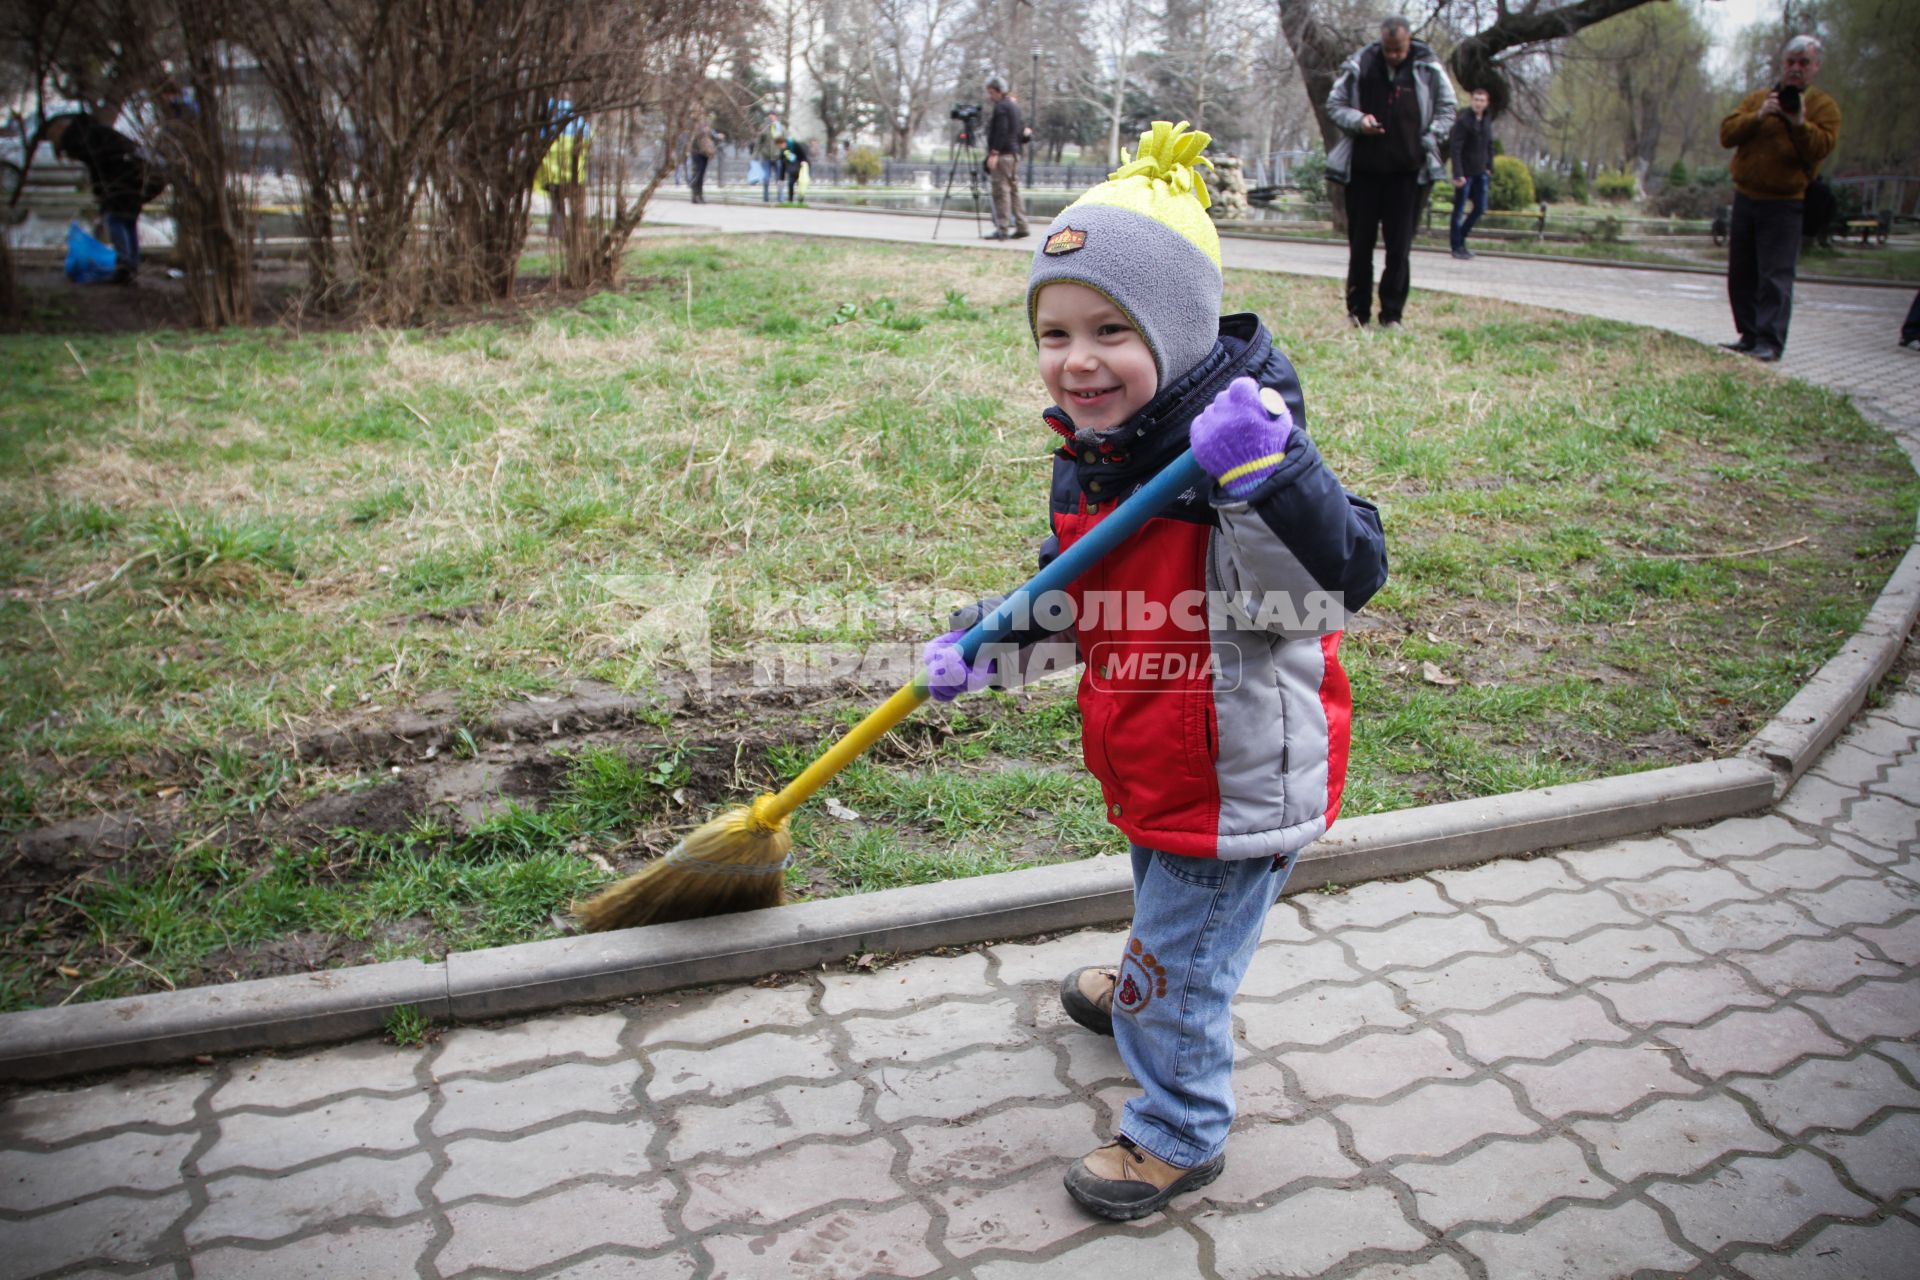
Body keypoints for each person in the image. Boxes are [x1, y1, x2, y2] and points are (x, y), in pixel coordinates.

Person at [921, 121, 1387, 1221]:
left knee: (1186, 966)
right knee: (1166, 914)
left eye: (1112, 330)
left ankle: (1178, 1125)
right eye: (1054, 330)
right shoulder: (1099, 455)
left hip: (1234, 781)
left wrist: (1268, 477)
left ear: (1176, 334)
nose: (1077, 360)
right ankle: (1150, 978)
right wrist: (983, 645)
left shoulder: (1241, 455)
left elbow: (1329, 585)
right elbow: (1080, 595)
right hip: (1153, 755)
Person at [1324, 16, 1456, 329]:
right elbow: (1334, 104)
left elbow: (1448, 108)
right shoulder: (1362, 64)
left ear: (1409, 42)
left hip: (1407, 174)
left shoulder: (1427, 69)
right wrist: (1359, 121)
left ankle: (1392, 315)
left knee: (1399, 249)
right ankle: (1357, 313)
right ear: (1381, 42)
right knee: (1360, 247)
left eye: (1398, 49)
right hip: (1364, 173)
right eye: (1388, 49)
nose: (1393, 54)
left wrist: (1432, 134)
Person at [1717, 35, 1840, 363]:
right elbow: (1727, 133)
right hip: (1747, 196)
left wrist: (1798, 123)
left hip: (1785, 202)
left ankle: (1770, 341)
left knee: (1775, 275)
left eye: (1804, 63)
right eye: (1791, 62)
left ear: (1815, 67)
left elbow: (1822, 147)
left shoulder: (1823, 107)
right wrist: (1758, 116)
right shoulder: (1760, 98)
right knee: (1741, 272)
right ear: (1781, 64)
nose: (1796, 69)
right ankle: (1749, 334)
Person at [43, 112, 165, 283]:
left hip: (122, 179)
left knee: (116, 220)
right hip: (133, 176)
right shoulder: (94, 132)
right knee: (127, 220)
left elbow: (98, 167)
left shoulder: (82, 141)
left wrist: (102, 193)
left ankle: (126, 266)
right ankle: (130, 265)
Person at [1448, 87, 1494, 260]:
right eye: (1476, 99)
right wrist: (1458, 173)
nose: (1478, 103)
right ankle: (1456, 245)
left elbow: (1489, 144)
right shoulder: (1463, 121)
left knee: (1480, 207)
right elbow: (1456, 148)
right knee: (1459, 210)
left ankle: (1461, 237)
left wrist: (1490, 166)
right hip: (1465, 173)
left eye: (1482, 100)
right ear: (1471, 101)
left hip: (1481, 171)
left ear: (1486, 103)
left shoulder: (1487, 120)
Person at [983, 75, 1030, 241]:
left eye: (991, 92)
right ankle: (1022, 224)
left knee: (1001, 191)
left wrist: (994, 152)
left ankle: (1002, 227)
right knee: (1014, 191)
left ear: (997, 91)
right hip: (1015, 153)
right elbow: (1023, 132)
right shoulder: (1014, 107)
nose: (990, 96)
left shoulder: (1002, 107)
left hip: (1003, 155)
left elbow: (1002, 131)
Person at [752, 111, 783, 203]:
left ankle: (781, 198)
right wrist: (755, 155)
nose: (771, 119)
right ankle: (765, 198)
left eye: (772, 117)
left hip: (778, 157)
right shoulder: (764, 128)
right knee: (766, 178)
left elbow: (785, 143)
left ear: (776, 117)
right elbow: (759, 143)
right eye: (769, 117)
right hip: (766, 157)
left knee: (779, 179)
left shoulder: (780, 128)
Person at [689, 121, 717, 204]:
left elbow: (713, 136)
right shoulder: (695, 126)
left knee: (701, 175)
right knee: (697, 174)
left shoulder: (706, 125)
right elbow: (696, 136)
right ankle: (695, 195)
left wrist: (716, 135)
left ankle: (699, 195)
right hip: (697, 153)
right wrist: (705, 130)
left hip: (705, 153)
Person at [781, 135, 809, 203]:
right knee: (790, 183)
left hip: (800, 167)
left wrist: (803, 161)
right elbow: (783, 164)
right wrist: (782, 177)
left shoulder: (795, 145)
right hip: (792, 169)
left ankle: (801, 199)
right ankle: (790, 199)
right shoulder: (784, 151)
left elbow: (803, 155)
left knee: (801, 184)